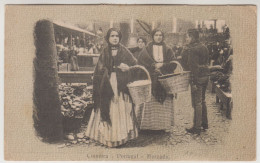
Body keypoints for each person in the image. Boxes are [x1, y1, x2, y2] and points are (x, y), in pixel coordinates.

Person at [85, 28, 139, 147]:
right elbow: (98, 69)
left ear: (119, 38)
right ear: (108, 38)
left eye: (117, 36)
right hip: (107, 83)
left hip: (121, 84)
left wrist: (128, 68)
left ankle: (121, 137)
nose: (115, 38)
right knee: (107, 105)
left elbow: (135, 65)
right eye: (112, 36)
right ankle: (107, 137)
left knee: (121, 107)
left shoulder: (125, 51)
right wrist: (105, 72)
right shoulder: (105, 51)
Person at [137, 28, 177, 132]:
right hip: (150, 79)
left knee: (163, 104)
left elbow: (173, 63)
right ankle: (148, 126)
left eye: (160, 35)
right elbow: (141, 61)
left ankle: (162, 126)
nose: (158, 37)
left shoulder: (168, 49)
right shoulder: (147, 49)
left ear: (163, 37)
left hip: (164, 79)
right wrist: (153, 66)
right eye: (156, 35)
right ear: (153, 36)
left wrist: (163, 65)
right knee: (150, 102)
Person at [181, 29, 210, 135]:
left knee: (196, 103)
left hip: (197, 78)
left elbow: (192, 67)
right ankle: (204, 124)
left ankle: (197, 127)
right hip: (206, 76)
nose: (186, 39)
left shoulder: (192, 49)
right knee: (202, 100)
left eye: (188, 37)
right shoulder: (204, 47)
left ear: (193, 37)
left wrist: (192, 82)